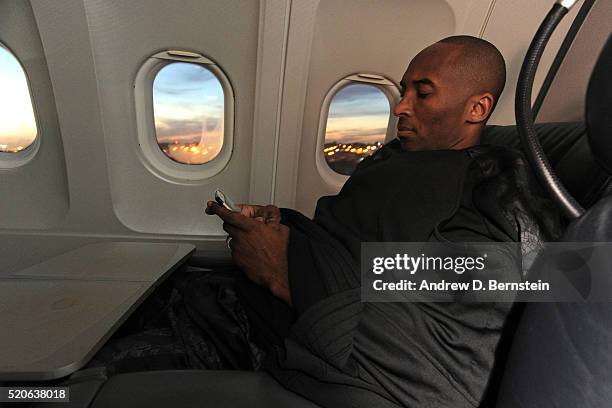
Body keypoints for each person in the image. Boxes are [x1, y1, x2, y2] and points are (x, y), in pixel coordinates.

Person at [90, 36, 561, 407]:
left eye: (423, 92)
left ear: (477, 108)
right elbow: (347, 237)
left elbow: (487, 286)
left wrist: (285, 272)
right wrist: (282, 225)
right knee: (112, 313)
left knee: (72, 382)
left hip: (275, 332)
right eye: (402, 90)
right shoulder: (396, 157)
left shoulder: (494, 183)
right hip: (243, 302)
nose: (400, 106)